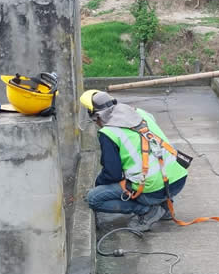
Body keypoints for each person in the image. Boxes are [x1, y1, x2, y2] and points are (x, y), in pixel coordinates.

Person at [80, 90, 188, 232]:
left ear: (98, 117)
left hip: (154, 190)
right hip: (177, 179)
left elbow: (112, 174)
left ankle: (147, 210)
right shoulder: (141, 113)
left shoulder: (109, 133)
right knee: (146, 168)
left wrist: (98, 186)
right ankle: (165, 206)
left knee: (93, 198)